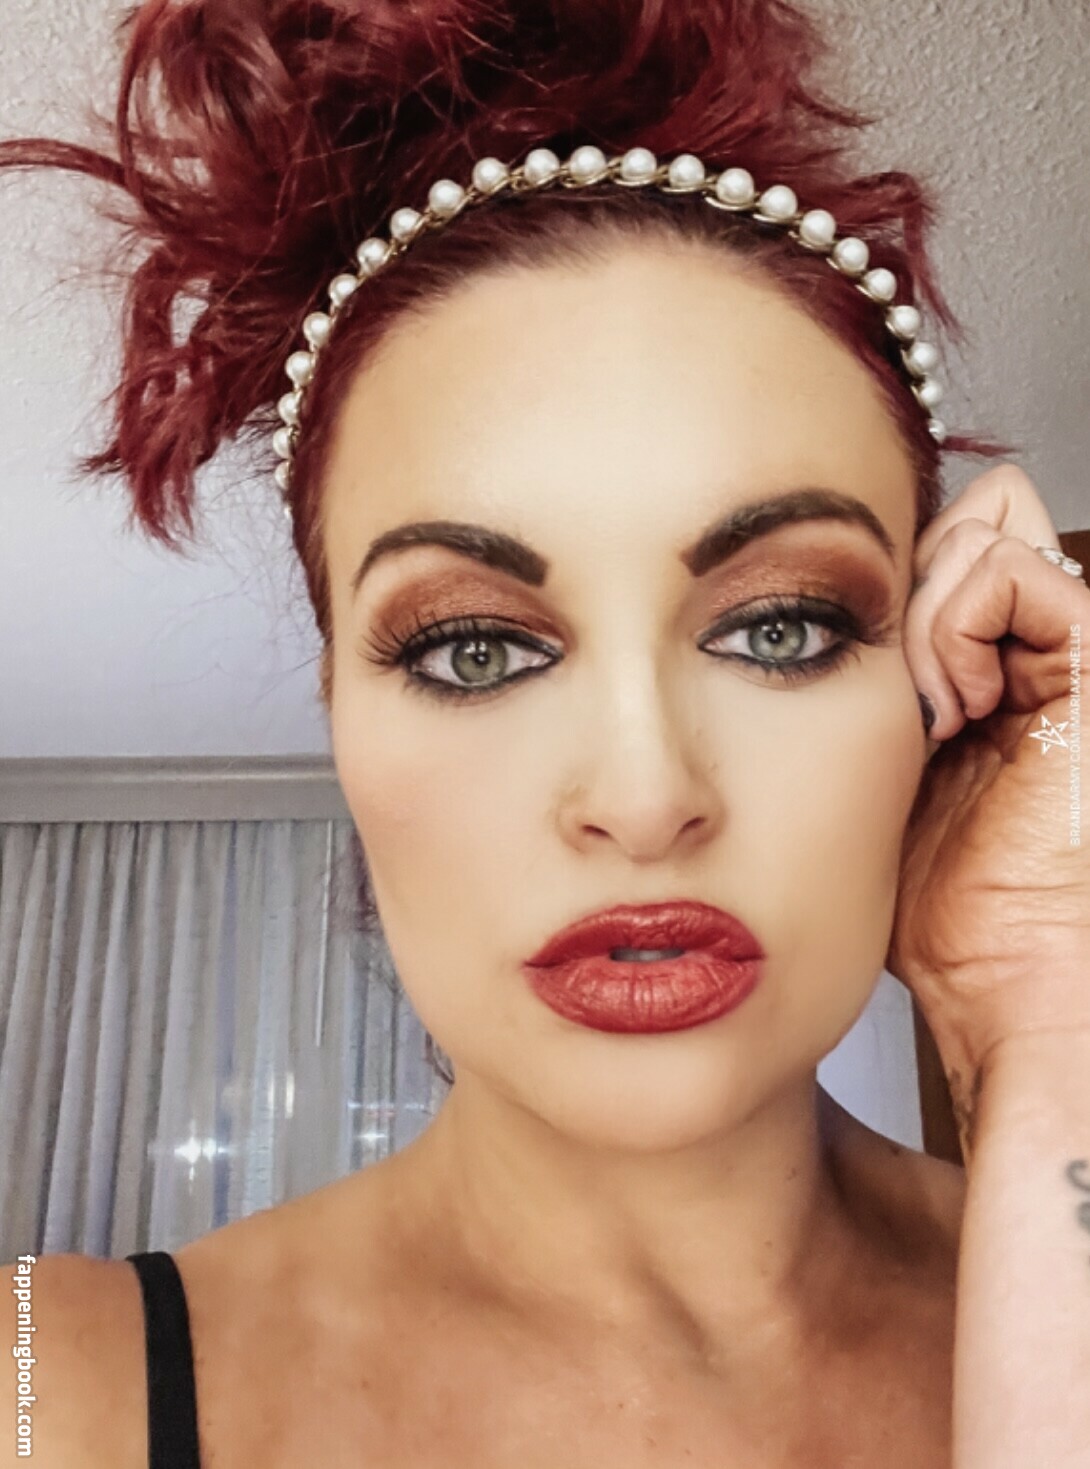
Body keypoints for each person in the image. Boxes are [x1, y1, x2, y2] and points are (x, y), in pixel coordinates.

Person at [3, 2, 1089, 1466]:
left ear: (937, 690)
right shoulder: (38, 1383)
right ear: (341, 714)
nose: (642, 795)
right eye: (476, 648)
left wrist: (1050, 1016)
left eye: (780, 628)